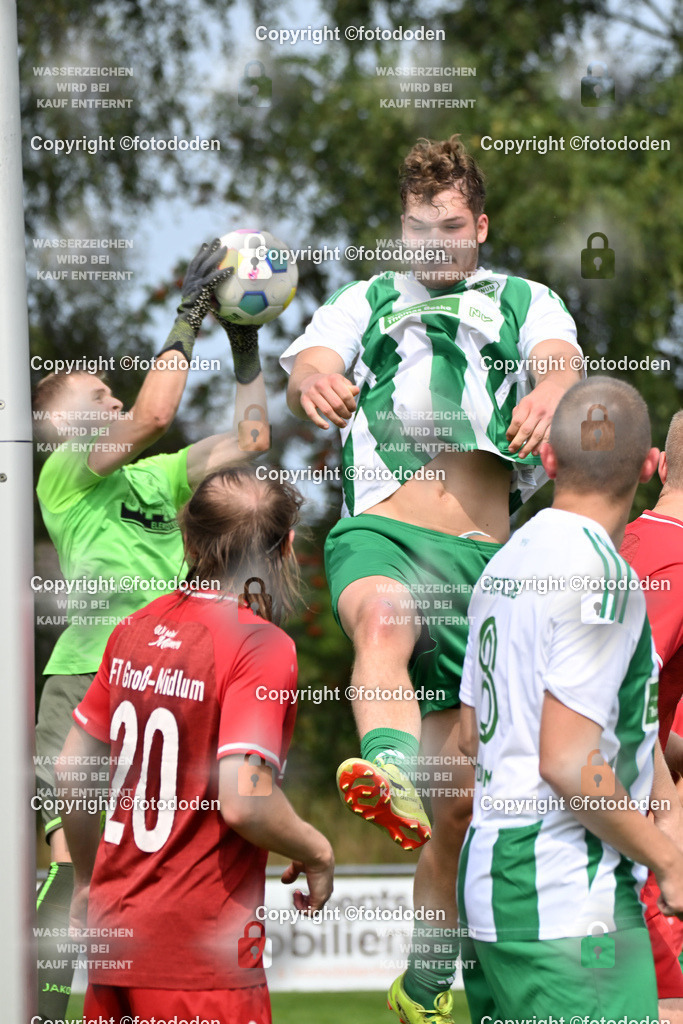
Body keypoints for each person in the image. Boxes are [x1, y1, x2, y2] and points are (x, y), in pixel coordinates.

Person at [280, 134, 582, 1021]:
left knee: (455, 810)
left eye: (450, 228)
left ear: (479, 225)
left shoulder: (526, 301)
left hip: (488, 564)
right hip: (382, 531)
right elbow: (313, 361)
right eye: (418, 231)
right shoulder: (365, 299)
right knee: (381, 619)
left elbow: (559, 364)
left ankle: (423, 978)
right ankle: (381, 763)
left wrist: (549, 393)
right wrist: (315, 383)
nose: (433, 246)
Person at [33, 238, 268, 1021]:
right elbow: (155, 411)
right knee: (79, 871)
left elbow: (254, 442)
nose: (107, 401)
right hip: (84, 681)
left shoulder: (155, 477)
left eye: (109, 389)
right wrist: (190, 310)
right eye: (92, 393)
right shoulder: (63, 473)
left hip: (161, 682)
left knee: (135, 877)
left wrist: (244, 344)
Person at [56, 467, 334, 1024]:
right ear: (284, 548)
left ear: (187, 537)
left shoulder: (132, 627)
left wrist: (89, 882)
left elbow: (70, 770)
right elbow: (245, 799)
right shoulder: (260, 644)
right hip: (199, 960)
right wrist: (316, 849)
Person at [457, 376, 683, 1022]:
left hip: (489, 888)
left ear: (548, 460)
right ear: (647, 467)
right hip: (565, 904)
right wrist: (667, 860)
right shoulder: (603, 578)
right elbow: (568, 760)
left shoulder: (500, 564)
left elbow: (471, 738)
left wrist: (661, 807)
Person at [620, 410, 683, 1023]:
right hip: (626, 836)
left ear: (661, 466)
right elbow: (624, 694)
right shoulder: (679, 564)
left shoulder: (609, 542)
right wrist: (670, 823)